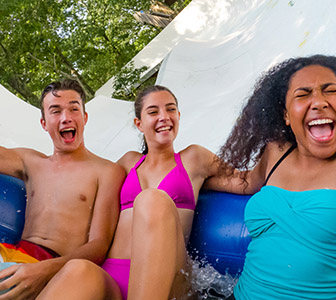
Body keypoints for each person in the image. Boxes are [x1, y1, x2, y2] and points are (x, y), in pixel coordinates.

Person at [214, 54, 336, 300]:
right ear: (286, 115)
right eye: (303, 94)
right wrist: (189, 172)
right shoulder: (277, 151)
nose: (319, 102)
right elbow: (246, 182)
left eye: (330, 91)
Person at [37, 85, 247, 300]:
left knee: (151, 199)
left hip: (167, 279)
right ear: (139, 123)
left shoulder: (194, 158)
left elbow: (246, 182)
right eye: (153, 112)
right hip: (112, 277)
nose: (164, 117)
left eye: (171, 109)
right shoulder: (127, 163)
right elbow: (88, 191)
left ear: (179, 115)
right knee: (78, 269)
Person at [0, 79, 125, 299]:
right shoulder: (30, 161)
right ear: (44, 123)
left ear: (84, 118)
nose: (66, 117)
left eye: (74, 109)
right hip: (12, 257)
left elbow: (99, 245)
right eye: (55, 111)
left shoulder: (106, 171)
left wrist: (41, 271)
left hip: (56, 270)